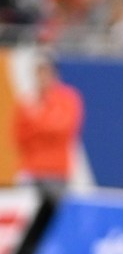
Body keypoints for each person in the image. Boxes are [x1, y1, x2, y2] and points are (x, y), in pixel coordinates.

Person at [13, 56, 84, 201]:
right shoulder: (28, 101)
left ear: (55, 74)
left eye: (46, 73)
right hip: (31, 169)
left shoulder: (67, 98)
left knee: (53, 215)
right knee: (27, 217)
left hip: (56, 171)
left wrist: (37, 122)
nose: (42, 78)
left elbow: (64, 129)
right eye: (39, 73)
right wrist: (44, 124)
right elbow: (19, 135)